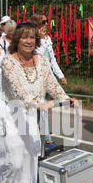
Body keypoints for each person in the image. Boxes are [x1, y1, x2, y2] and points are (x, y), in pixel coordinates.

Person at [0, 22, 76, 183]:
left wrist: (65, 98)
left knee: (30, 156)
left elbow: (51, 83)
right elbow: (18, 88)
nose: (28, 41)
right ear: (16, 40)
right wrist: (36, 102)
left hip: (31, 114)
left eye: (32, 37)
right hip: (11, 113)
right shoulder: (8, 61)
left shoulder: (41, 60)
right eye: (24, 37)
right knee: (14, 156)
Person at [30, 13, 67, 150]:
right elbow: (32, 56)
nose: (46, 24)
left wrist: (60, 75)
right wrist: (37, 38)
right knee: (37, 109)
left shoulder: (47, 39)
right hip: (36, 79)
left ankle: (45, 139)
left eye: (47, 22)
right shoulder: (31, 40)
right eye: (43, 22)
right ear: (36, 24)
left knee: (42, 109)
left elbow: (52, 59)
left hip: (47, 78)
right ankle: (43, 139)